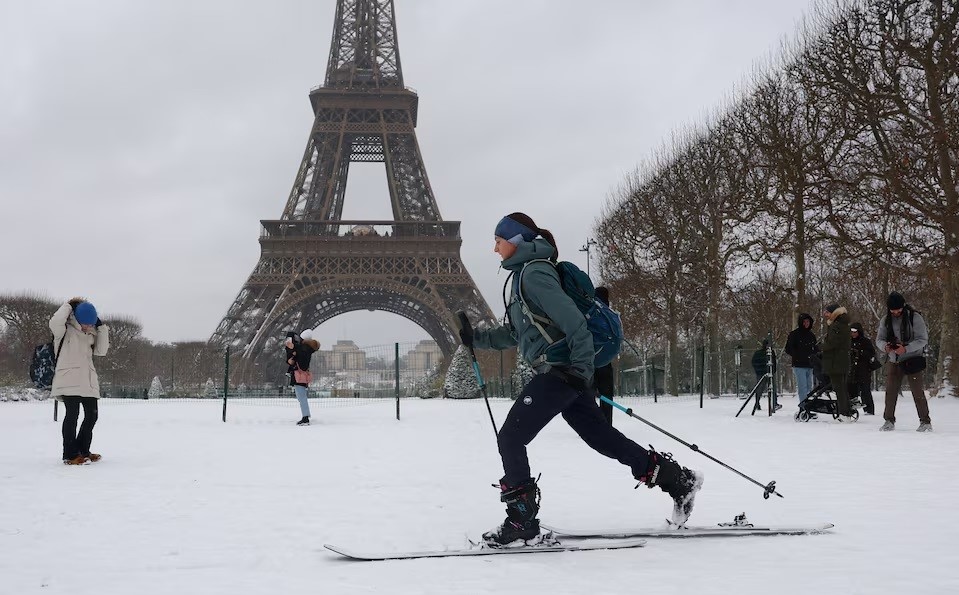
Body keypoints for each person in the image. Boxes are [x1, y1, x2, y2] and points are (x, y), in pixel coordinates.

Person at [463, 212, 702, 546]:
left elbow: (574, 321)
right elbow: (516, 333)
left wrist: (579, 371)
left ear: (516, 241)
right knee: (602, 438)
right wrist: (475, 338)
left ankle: (522, 523)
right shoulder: (523, 277)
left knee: (511, 438)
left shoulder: (534, 274)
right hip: (566, 372)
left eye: (498, 241)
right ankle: (678, 480)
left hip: (562, 372)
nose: (494, 249)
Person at [50, 298, 110, 465]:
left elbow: (101, 351)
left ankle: (83, 450)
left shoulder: (92, 333)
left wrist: (101, 326)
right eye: (85, 323)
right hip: (68, 379)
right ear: (76, 318)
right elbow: (54, 321)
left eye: (90, 324)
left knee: (92, 416)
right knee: (72, 416)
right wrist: (69, 305)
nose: (87, 327)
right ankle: (70, 454)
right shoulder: (63, 330)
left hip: (88, 381)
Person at [875, 292, 931, 432]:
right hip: (894, 360)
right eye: (892, 310)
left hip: (912, 360)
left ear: (903, 307)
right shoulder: (885, 320)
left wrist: (906, 348)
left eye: (898, 310)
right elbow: (879, 339)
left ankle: (925, 421)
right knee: (890, 392)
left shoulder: (915, 318)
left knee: (917, 392)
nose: (895, 313)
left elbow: (922, 339)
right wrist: (885, 347)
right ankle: (888, 420)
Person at [820, 303, 854, 420]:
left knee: (839, 388)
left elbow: (832, 343)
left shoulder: (837, 325)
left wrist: (820, 347)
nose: (825, 315)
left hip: (835, 361)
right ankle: (847, 411)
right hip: (841, 360)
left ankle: (844, 414)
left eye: (827, 312)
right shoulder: (844, 324)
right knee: (843, 388)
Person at [286, 330, 320, 425]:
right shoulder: (306, 349)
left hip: (299, 375)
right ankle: (306, 415)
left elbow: (302, 363)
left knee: (302, 397)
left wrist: (294, 348)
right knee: (301, 397)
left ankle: (305, 418)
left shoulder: (304, 349)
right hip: (300, 375)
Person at [592, 286, 614, 425]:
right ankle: (606, 423)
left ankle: (592, 423)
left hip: (590, 359)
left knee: (588, 394)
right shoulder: (609, 315)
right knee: (607, 394)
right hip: (605, 359)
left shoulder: (590, 312)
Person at [784, 314, 817, 404]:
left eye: (808, 322)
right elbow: (788, 349)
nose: (806, 324)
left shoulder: (811, 335)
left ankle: (809, 405)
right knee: (803, 387)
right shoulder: (794, 334)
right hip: (799, 365)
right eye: (804, 322)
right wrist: (797, 355)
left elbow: (815, 348)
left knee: (809, 387)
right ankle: (804, 406)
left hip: (809, 365)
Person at [848, 322, 878, 415]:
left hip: (864, 370)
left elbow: (871, 354)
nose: (853, 334)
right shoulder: (848, 341)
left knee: (865, 390)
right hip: (852, 370)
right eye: (851, 331)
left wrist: (860, 353)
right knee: (852, 389)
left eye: (854, 331)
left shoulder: (865, 341)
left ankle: (869, 410)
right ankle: (852, 408)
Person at [750, 339, 779, 410]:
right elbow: (774, 363)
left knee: (761, 389)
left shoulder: (759, 353)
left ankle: (758, 403)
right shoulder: (770, 353)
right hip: (765, 373)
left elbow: (754, 362)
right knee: (770, 389)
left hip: (763, 373)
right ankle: (773, 403)